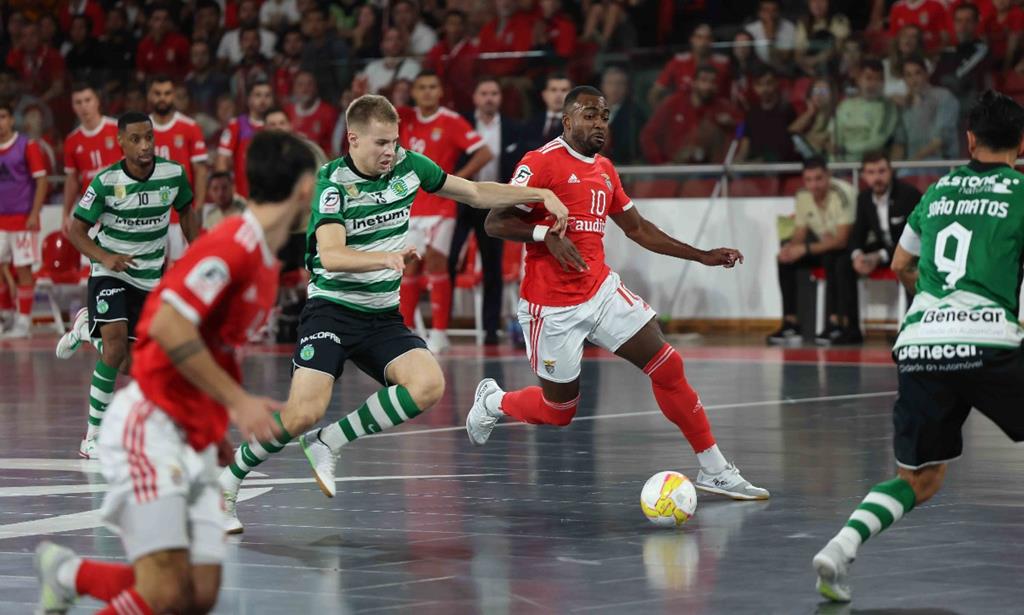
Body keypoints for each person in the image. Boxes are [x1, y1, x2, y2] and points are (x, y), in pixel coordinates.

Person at [218, 94, 569, 533]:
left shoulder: (408, 166)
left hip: (381, 316)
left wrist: (541, 192)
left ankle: (332, 440)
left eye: (395, 141)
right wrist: (383, 258)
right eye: (381, 143)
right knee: (302, 413)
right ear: (353, 139)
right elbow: (330, 255)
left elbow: (476, 192)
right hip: (332, 311)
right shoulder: (332, 184)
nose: (390, 151)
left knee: (428, 385)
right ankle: (227, 482)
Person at [33, 130, 317, 615]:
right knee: (164, 592)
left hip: (194, 432)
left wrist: (211, 424)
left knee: (197, 594)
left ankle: (70, 574)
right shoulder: (232, 246)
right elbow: (166, 326)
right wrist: (238, 402)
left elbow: (216, 348)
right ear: (305, 189)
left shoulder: (266, 260)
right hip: (153, 427)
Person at [468, 85, 769, 501]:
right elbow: (494, 223)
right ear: (567, 119)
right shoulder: (539, 163)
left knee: (667, 366)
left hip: (601, 291)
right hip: (550, 306)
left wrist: (701, 255)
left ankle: (714, 469)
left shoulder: (605, 170)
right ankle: (494, 402)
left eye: (605, 116)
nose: (599, 124)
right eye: (590, 115)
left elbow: (639, 229)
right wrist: (543, 235)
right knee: (560, 412)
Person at [812, 90, 1024, 603]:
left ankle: (840, 548)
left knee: (921, 479)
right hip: (989, 338)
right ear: (1020, 143)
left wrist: (937, 309)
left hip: (922, 341)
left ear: (969, 139)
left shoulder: (937, 190)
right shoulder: (1020, 189)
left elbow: (903, 266)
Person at [62, 112, 196, 460]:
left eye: (149, 138)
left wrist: (201, 256)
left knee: (126, 364)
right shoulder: (105, 182)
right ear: (120, 142)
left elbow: (188, 215)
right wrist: (104, 257)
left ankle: (85, 329)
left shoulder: (174, 175)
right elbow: (75, 231)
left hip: (149, 279)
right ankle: (92, 436)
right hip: (111, 274)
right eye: (136, 139)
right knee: (116, 345)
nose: (145, 146)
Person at [397, 71, 493, 353]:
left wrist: (453, 181)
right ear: (414, 92)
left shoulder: (450, 121)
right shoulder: (405, 119)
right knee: (409, 266)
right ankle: (407, 331)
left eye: (432, 87)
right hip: (410, 205)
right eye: (421, 87)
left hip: (441, 207)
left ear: (440, 92)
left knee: (437, 264)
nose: (427, 92)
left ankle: (439, 333)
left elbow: (484, 152)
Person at [448, 76, 526, 345]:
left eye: (494, 93)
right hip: (461, 201)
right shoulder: (461, 124)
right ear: (475, 98)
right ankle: (441, 326)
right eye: (484, 93)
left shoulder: (515, 129)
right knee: (448, 260)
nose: (489, 98)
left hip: (493, 203)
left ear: (500, 98)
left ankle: (491, 329)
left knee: (492, 266)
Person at [768, 157, 858, 346]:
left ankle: (836, 322)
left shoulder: (843, 193)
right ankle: (791, 324)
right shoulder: (803, 196)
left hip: (849, 248)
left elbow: (841, 240)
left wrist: (805, 248)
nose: (813, 185)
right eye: (808, 180)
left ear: (828, 176)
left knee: (833, 258)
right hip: (823, 247)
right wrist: (790, 249)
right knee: (784, 260)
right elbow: (800, 231)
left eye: (818, 179)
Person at [0, 101, 48, 338]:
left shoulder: (26, 145)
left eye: (2, 116)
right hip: (0, 220)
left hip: (22, 219)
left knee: (23, 270)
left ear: (11, 119)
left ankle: (23, 322)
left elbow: (41, 180)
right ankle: (6, 315)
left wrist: (33, 213)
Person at [148, 75, 206, 264]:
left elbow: (201, 171)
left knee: (182, 270)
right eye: (157, 93)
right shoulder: (140, 129)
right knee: (151, 274)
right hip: (148, 217)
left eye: (167, 93)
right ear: (150, 96)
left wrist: (198, 207)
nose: (162, 98)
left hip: (181, 216)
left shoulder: (189, 127)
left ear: (174, 96)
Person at [60, 83, 121, 232]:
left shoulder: (118, 129)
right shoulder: (72, 140)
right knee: (89, 255)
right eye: (78, 102)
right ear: (73, 106)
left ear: (97, 101)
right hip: (92, 215)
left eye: (88, 100)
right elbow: (72, 180)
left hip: (122, 210)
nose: (84, 106)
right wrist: (65, 214)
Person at [849, 151, 921, 278]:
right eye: (871, 172)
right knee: (843, 262)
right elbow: (857, 234)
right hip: (882, 251)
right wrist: (857, 255)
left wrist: (880, 255)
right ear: (864, 175)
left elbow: (915, 237)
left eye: (881, 171)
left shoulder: (908, 195)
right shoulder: (864, 198)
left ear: (891, 171)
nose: (877, 178)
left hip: (909, 253)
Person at [831, 58, 901, 162]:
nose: (873, 84)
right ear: (859, 79)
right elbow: (835, 138)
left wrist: (845, 149)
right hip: (840, 166)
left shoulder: (888, 107)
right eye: (869, 78)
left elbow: (877, 142)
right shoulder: (844, 105)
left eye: (878, 79)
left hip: (870, 167)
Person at [216, 80, 272, 198]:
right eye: (258, 95)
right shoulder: (236, 125)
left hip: (271, 194)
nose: (263, 100)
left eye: (267, 95)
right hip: (242, 196)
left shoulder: (276, 125)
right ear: (249, 99)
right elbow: (222, 161)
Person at [284, 70, 338, 156]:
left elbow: (335, 147)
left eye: (309, 84)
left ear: (316, 88)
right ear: (294, 89)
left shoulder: (329, 112)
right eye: (300, 85)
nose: (305, 89)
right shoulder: (287, 111)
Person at [523, 73, 572, 152]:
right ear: (544, 94)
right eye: (553, 90)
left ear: (572, 96)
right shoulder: (530, 124)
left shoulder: (576, 126)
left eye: (564, 90)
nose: (558, 95)